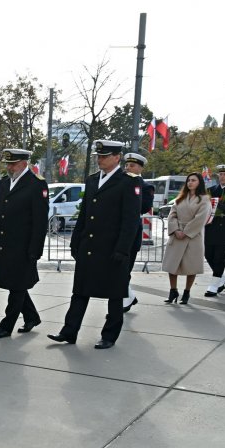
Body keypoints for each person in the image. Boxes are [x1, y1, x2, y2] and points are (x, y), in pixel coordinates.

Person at [47, 140, 140, 350]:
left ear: (117, 157)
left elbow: (130, 220)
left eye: (104, 156)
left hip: (112, 248)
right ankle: (69, 331)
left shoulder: (128, 182)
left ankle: (109, 335)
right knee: (80, 290)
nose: (100, 159)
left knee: (115, 294)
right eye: (98, 156)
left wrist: (122, 249)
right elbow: (85, 215)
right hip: (89, 247)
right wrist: (76, 241)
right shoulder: (91, 181)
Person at [0, 149, 48, 339]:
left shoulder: (36, 184)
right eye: (7, 164)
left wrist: (35, 249)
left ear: (23, 163)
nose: (9, 167)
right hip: (6, 243)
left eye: (12, 164)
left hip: (23, 245)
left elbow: (40, 221)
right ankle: (31, 316)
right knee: (15, 284)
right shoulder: (5, 182)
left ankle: (6, 325)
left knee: (18, 286)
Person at [160, 172, 211, 304]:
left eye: (193, 180)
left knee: (191, 266)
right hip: (177, 235)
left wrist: (186, 231)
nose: (190, 182)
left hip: (193, 236)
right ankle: (173, 291)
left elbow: (201, 218)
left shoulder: (204, 199)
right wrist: (176, 229)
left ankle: (187, 292)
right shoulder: (180, 198)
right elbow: (172, 214)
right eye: (188, 180)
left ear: (199, 182)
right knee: (172, 264)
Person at [120, 152, 154, 311]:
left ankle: (125, 300)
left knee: (125, 268)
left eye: (132, 166)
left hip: (131, 233)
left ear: (140, 168)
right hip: (115, 232)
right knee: (116, 269)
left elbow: (144, 207)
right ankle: (129, 296)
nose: (128, 168)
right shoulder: (119, 183)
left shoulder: (146, 187)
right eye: (126, 165)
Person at [204, 164, 225, 296]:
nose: (222, 177)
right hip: (211, 228)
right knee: (208, 255)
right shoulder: (211, 189)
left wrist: (219, 203)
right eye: (220, 174)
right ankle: (221, 278)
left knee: (219, 257)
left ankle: (214, 284)